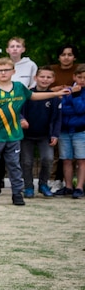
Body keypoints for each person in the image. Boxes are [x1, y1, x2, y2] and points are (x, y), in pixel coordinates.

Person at [0, 57, 70, 205]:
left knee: (14, 165)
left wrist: (54, 94)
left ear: (13, 71)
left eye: (6, 70)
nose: (3, 73)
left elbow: (33, 96)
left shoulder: (19, 87)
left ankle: (17, 194)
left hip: (14, 135)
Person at [20, 66, 61, 197]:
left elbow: (57, 118)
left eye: (48, 77)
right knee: (26, 162)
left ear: (53, 79)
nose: (45, 79)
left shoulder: (54, 97)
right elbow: (18, 111)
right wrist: (22, 119)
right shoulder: (27, 95)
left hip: (45, 136)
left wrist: (55, 134)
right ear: (35, 78)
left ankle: (43, 184)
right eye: (42, 76)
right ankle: (28, 186)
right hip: (26, 135)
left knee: (48, 159)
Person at [58, 65, 85, 198]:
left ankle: (79, 187)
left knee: (81, 160)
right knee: (66, 159)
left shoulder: (78, 93)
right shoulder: (66, 91)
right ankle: (68, 186)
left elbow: (81, 109)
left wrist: (76, 95)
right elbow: (61, 108)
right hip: (64, 130)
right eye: (79, 77)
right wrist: (73, 108)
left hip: (80, 131)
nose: (82, 80)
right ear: (74, 77)